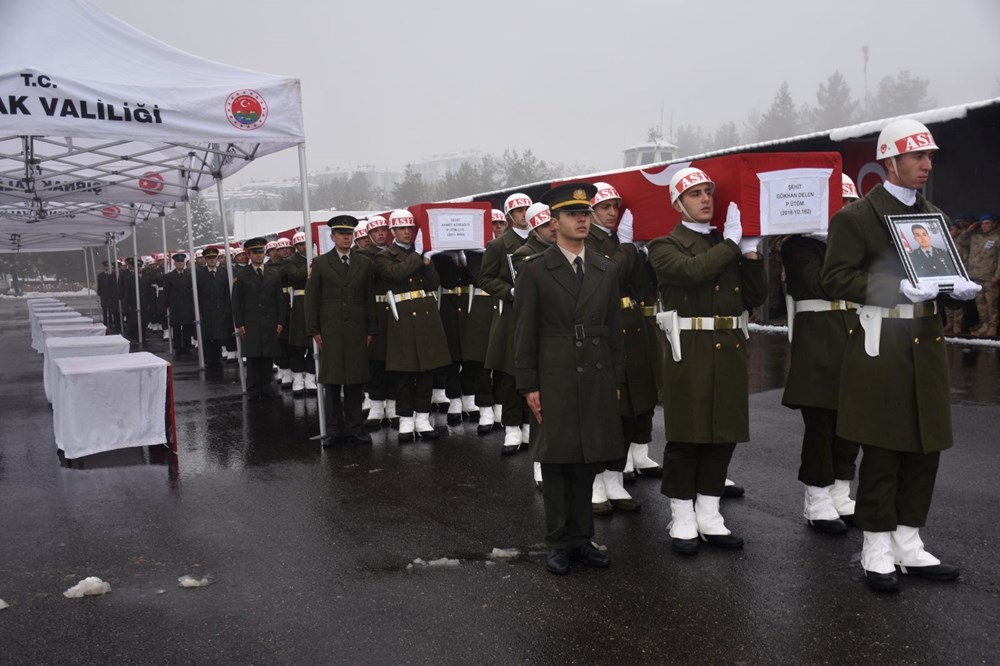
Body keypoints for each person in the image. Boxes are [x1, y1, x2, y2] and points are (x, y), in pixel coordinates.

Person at [822, 118, 981, 592]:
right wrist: (895, 287)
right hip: (882, 345)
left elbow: (938, 275)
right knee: (884, 450)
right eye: (917, 157)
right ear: (890, 161)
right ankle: (875, 547)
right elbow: (834, 278)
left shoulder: (932, 214)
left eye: (930, 157)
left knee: (924, 448)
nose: (926, 165)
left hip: (926, 345)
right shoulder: (857, 217)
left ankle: (908, 542)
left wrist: (957, 290)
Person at [648, 166, 767, 555]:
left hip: (728, 342)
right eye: (695, 194)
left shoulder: (726, 243)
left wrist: (750, 254)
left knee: (722, 432)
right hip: (691, 346)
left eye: (708, 193)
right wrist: (732, 246)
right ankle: (682, 514)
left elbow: (754, 296)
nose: (705, 200)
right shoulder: (665, 245)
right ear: (678, 203)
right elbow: (692, 272)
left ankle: (710, 512)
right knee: (687, 434)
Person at [514, 182, 626, 575]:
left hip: (595, 371)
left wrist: (617, 377)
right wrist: (529, 384)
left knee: (586, 459)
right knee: (558, 461)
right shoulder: (536, 270)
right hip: (554, 372)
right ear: (554, 221)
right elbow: (523, 331)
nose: (582, 220)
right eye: (572, 215)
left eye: (585, 214)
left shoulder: (604, 267)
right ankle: (558, 542)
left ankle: (583, 538)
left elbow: (614, 326)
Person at [780, 173, 863, 535]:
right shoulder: (799, 246)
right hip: (818, 343)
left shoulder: (858, 246)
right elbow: (819, 284)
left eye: (850, 204)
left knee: (852, 421)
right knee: (820, 425)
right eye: (840, 203)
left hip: (854, 337)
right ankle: (816, 498)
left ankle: (842, 492)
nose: (846, 211)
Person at [585, 182, 656, 515]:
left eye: (616, 206)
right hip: (607, 328)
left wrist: (644, 252)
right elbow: (608, 275)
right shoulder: (587, 241)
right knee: (605, 413)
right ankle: (596, 480)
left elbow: (641, 285)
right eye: (605, 207)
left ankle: (615, 478)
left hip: (631, 325)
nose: (612, 212)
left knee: (630, 409)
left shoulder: (618, 241)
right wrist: (628, 248)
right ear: (591, 212)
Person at [373, 210, 451, 442]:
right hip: (403, 316)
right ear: (393, 231)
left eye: (411, 228)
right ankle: (406, 419)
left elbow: (434, 283)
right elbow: (396, 274)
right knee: (404, 373)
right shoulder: (385, 255)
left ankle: (423, 419)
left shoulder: (421, 254)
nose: (407, 232)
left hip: (426, 315)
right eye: (402, 228)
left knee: (427, 370)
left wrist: (428, 263)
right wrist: (418, 255)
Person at [305, 215, 377, 445]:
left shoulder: (364, 262)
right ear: (333, 236)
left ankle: (355, 428)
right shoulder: (321, 263)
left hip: (357, 329)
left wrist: (371, 329)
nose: (346, 237)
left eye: (349, 234)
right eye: (341, 234)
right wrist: (314, 330)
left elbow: (369, 298)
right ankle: (335, 430)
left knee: (356, 380)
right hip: (331, 329)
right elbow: (311, 299)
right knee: (333, 381)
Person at [482, 193, 533, 454]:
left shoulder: (543, 239)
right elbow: (487, 279)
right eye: (519, 210)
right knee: (510, 373)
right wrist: (510, 292)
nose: (524, 214)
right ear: (509, 216)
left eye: (527, 208)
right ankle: (512, 427)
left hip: (538, 315)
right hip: (511, 315)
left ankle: (530, 425)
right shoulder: (499, 245)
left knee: (534, 371)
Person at [512, 202, 557, 488]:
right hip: (541, 337)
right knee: (541, 408)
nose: (552, 228)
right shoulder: (524, 256)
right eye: (544, 226)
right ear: (533, 229)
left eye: (553, 223)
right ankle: (541, 464)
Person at [462, 211, 506, 435]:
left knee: (501, 360)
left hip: (502, 305)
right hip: (481, 304)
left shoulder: (510, 246)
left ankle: (500, 406)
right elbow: (479, 276)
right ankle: (485, 408)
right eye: (493, 223)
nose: (497, 227)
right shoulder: (475, 251)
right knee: (480, 362)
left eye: (501, 223)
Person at [231, 238, 288, 400]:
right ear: (249, 254)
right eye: (255, 253)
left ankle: (266, 385)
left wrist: (280, 321)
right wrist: (240, 323)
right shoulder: (242, 275)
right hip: (251, 321)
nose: (259, 256)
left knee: (268, 355)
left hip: (270, 321)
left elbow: (280, 300)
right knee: (254, 355)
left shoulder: (273, 273)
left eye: (261, 252)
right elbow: (237, 301)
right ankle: (253, 387)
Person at [359, 215, 399, 428]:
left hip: (394, 309)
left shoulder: (397, 252)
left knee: (394, 360)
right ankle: (375, 406)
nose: (381, 234)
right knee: (375, 361)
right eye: (376, 231)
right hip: (374, 310)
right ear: (369, 235)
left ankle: (392, 406)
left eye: (384, 230)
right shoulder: (363, 255)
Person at [283, 231, 318, 395]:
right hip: (298, 305)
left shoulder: (319, 258)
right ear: (296, 247)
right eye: (300, 245)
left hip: (316, 302)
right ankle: (297, 378)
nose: (304, 247)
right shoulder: (291, 261)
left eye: (306, 243)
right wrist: (311, 263)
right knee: (297, 344)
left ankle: (311, 377)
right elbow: (296, 276)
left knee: (314, 343)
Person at [197, 246, 232, 367]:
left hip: (220, 308)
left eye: (214, 258)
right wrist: (198, 310)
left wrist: (227, 308)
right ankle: (208, 358)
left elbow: (227, 292)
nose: (212, 260)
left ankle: (217, 357)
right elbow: (197, 293)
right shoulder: (199, 274)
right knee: (206, 334)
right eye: (209, 258)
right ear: (205, 259)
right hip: (206, 309)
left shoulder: (223, 273)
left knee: (218, 334)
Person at [965, 213, 1000, 337]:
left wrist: (997, 275)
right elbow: (961, 242)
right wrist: (969, 231)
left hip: (990, 277)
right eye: (982, 223)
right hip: (976, 275)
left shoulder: (997, 237)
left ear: (995, 224)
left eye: (987, 223)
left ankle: (993, 327)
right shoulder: (976, 236)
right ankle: (984, 325)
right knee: (980, 304)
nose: (984, 226)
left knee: (992, 304)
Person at [164, 253, 196, 356]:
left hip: (187, 304)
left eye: (182, 262)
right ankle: (177, 348)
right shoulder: (169, 276)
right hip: (176, 305)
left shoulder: (190, 274)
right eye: (178, 262)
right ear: (175, 263)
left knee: (187, 327)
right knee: (176, 328)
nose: (180, 264)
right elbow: (166, 292)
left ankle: (187, 347)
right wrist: (167, 305)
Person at [96, 260, 120, 331]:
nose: (106, 268)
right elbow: (99, 285)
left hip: (111, 296)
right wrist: (99, 293)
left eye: (107, 266)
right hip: (104, 296)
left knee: (110, 311)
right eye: (105, 266)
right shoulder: (100, 275)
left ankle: (110, 324)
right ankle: (105, 323)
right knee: (104, 310)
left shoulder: (112, 274)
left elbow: (114, 285)